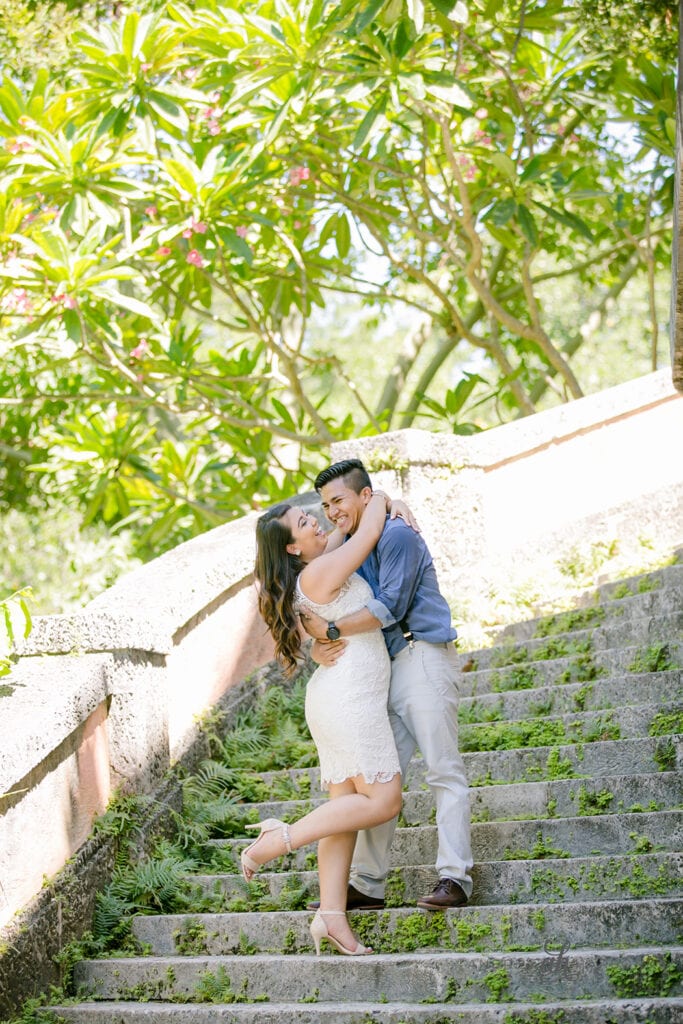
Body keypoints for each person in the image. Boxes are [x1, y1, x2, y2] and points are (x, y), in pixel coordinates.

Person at [301, 458, 473, 912]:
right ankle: (368, 883)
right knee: (379, 778)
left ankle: (455, 878)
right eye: (324, 505)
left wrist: (332, 633)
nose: (331, 511)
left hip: (422, 656)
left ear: (363, 495)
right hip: (386, 671)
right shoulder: (361, 538)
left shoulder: (395, 533)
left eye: (338, 500)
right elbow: (310, 589)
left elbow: (391, 606)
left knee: (443, 769)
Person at [249, 489, 412, 956]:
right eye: (305, 523)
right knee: (384, 800)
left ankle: (333, 917)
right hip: (349, 701)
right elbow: (370, 529)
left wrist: (381, 506)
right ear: (292, 549)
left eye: (311, 515)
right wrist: (377, 496)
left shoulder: (319, 562)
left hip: (341, 696)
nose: (318, 521)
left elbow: (344, 529)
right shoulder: (320, 571)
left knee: (343, 819)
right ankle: (276, 840)